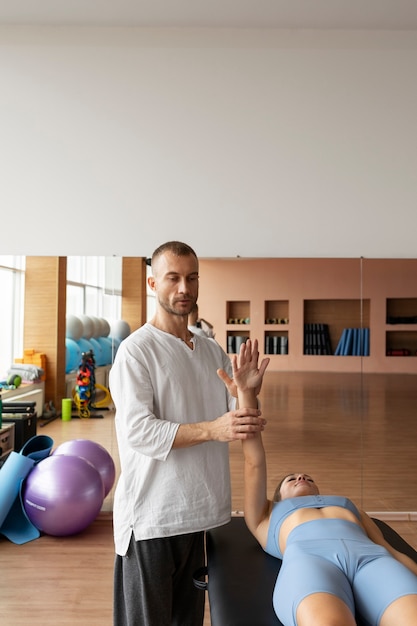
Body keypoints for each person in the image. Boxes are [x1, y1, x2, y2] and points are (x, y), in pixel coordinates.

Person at [109, 241, 267, 626]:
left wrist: (246, 393)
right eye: (173, 278)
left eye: (192, 277)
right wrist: (213, 429)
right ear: (152, 283)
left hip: (197, 518)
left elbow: (238, 423)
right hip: (151, 521)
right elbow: (140, 432)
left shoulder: (211, 351)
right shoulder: (136, 352)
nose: (184, 288)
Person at [231, 339, 417, 626]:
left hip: (373, 561)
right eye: (291, 479)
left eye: (307, 477)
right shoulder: (267, 516)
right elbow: (253, 460)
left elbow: (389, 548)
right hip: (311, 565)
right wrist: (246, 395)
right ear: (278, 496)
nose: (301, 477)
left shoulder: (347, 504)